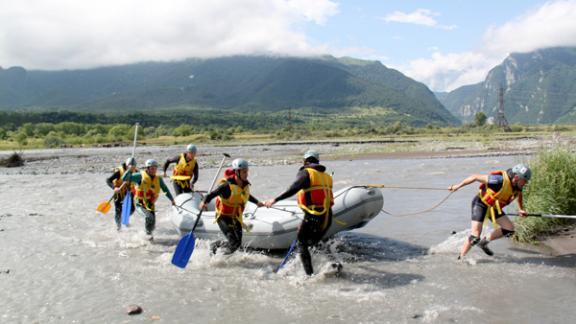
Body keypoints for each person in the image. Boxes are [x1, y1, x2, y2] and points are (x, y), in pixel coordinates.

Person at [264, 150, 334, 276]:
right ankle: (333, 264)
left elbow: (293, 188)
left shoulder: (306, 172)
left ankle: (309, 275)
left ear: (305, 161)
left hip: (313, 216)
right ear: (317, 161)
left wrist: (275, 199)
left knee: (302, 242)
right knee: (315, 242)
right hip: (327, 217)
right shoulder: (326, 176)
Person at [449, 163, 531, 259]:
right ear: (516, 177)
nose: (525, 183)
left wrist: (521, 209)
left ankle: (484, 243)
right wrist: (457, 186)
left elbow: (519, 196)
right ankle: (460, 259)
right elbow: (475, 177)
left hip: (493, 208)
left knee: (509, 230)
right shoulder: (498, 180)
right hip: (481, 204)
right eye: (524, 181)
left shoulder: (517, 186)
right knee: (475, 237)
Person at [199, 158, 264, 255]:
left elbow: (245, 195)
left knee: (237, 244)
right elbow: (211, 195)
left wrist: (257, 202)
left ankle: (221, 254)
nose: (246, 174)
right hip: (223, 217)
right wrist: (204, 202)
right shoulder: (227, 186)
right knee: (234, 243)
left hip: (236, 217)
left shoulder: (244, 185)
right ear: (237, 172)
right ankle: (216, 248)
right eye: (244, 172)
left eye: (247, 171)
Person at [123, 159, 175, 240]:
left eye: (155, 168)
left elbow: (165, 189)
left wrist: (172, 199)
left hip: (150, 205)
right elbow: (125, 178)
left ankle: (148, 237)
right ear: (147, 168)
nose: (154, 170)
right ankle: (147, 236)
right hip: (139, 204)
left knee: (153, 224)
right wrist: (129, 170)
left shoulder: (158, 179)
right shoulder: (139, 176)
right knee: (149, 217)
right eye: (152, 168)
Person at [105, 157, 137, 231]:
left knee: (132, 209)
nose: (132, 169)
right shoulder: (119, 172)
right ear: (127, 166)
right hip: (118, 193)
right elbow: (108, 180)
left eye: (134, 167)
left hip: (128, 193)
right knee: (118, 211)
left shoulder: (135, 171)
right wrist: (114, 188)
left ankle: (124, 219)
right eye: (131, 167)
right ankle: (118, 228)